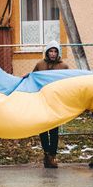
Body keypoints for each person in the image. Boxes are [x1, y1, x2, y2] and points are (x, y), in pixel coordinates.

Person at [32, 40, 69, 168]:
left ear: (58, 53)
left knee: (54, 130)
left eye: (55, 51)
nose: (53, 54)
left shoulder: (63, 66)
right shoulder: (40, 64)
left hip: (55, 102)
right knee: (42, 128)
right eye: (50, 51)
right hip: (42, 100)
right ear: (47, 52)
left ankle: (52, 156)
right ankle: (46, 153)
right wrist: (27, 76)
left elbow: (68, 82)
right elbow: (33, 78)